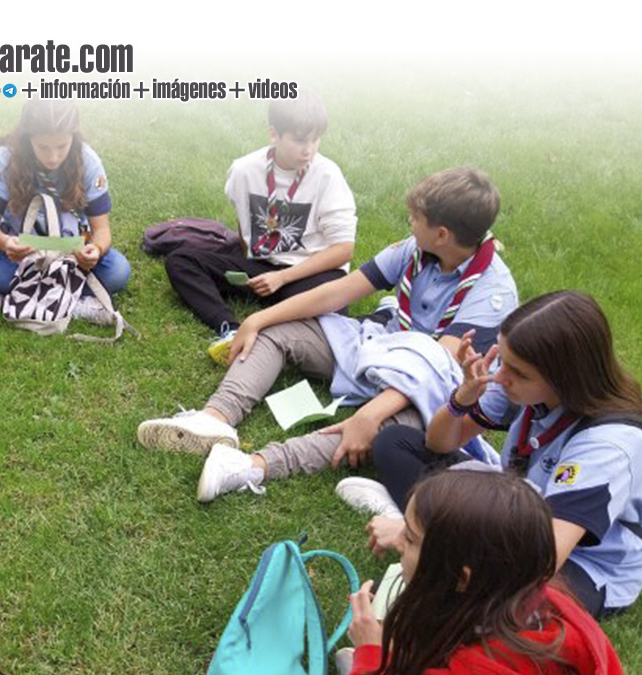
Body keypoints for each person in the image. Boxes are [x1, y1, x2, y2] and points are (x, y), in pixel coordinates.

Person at [137, 167, 518, 502]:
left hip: (435, 389)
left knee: (382, 429)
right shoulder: (416, 250)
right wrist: (259, 320)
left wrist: (369, 416)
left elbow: (434, 367)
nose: (410, 224)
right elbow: (340, 291)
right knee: (279, 332)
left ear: (441, 234)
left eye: (415, 219)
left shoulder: (492, 291)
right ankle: (215, 419)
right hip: (383, 346)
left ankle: (251, 466)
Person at [350, 291, 642, 618]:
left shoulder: (608, 445)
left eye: (518, 372)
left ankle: (419, 525)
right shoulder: (521, 384)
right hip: (509, 512)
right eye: (502, 359)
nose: (499, 378)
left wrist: (423, 542)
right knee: (397, 443)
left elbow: (543, 558)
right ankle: (420, 523)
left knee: (505, 604)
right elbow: (439, 443)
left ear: (564, 378)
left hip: (576, 563)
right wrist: (462, 397)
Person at [346, 470, 623, 675]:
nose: (396, 542)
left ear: (461, 578)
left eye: (410, 538)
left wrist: (370, 654)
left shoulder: (480, 666)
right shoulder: (542, 599)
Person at [164, 90, 358, 365]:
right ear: (274, 134)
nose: (309, 150)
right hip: (260, 266)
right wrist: (246, 260)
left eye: (315, 139)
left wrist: (282, 278)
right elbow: (243, 219)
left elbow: (343, 250)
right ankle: (229, 329)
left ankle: (274, 324)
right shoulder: (244, 170)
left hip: (308, 273)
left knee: (334, 302)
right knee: (181, 261)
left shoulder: (328, 176)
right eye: (300, 140)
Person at [0, 98, 131, 323]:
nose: (53, 158)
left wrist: (96, 249)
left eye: (62, 146)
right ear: (28, 138)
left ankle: (20, 295)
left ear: (74, 136)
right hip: (23, 255)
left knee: (118, 270)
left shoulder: (88, 161)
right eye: (43, 147)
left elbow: (101, 230)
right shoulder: (6, 158)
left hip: (69, 255)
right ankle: (71, 302)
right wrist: (6, 243)